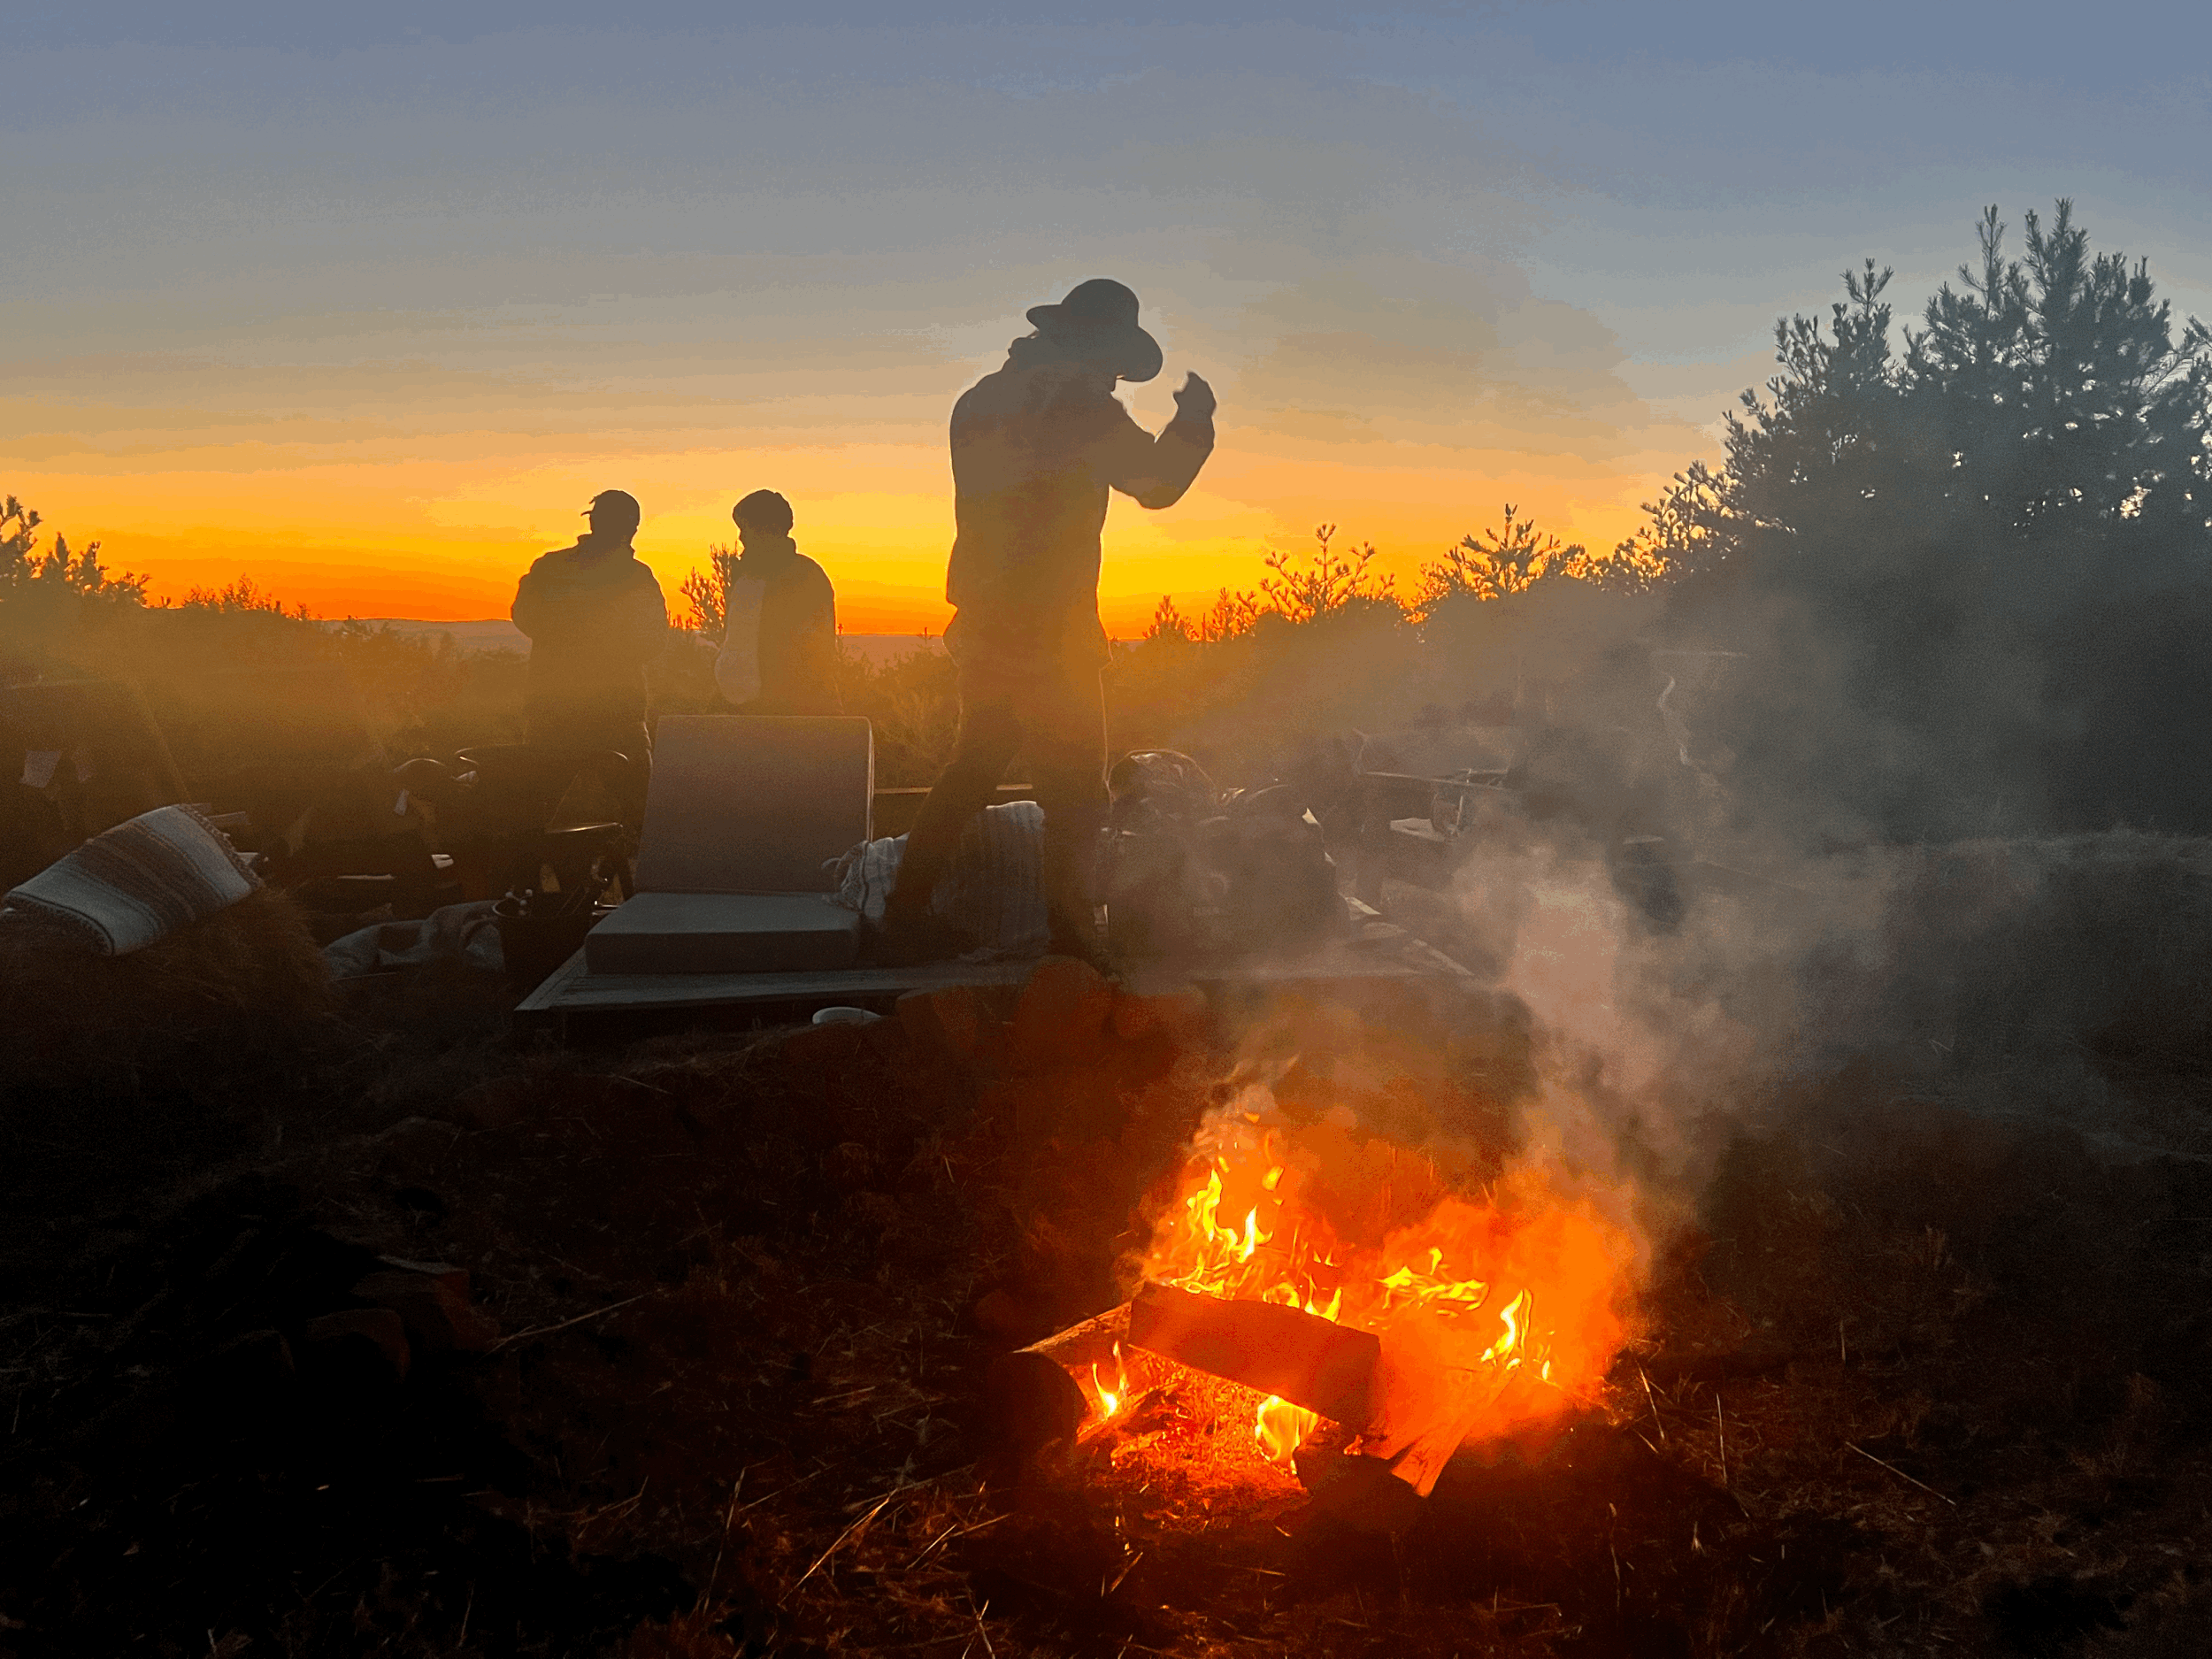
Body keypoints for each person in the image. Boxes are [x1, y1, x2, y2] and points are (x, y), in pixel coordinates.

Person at [881, 278, 1217, 962]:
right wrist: (1194, 423)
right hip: (1054, 628)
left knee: (971, 767)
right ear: (1095, 349)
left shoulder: (980, 400)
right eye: (1113, 363)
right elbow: (1156, 484)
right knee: (1075, 791)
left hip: (984, 621)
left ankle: (902, 918)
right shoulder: (1082, 408)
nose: (1114, 378)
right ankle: (1070, 935)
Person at [510, 488, 670, 815]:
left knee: (541, 807)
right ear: (633, 528)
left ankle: (544, 862)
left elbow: (525, 616)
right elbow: (654, 640)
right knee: (640, 808)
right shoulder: (637, 577)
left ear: (593, 522)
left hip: (553, 707)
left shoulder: (549, 568)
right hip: (617, 709)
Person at [713, 489, 841, 715]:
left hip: (790, 712)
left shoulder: (805, 576)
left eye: (747, 528)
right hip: (740, 708)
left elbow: (816, 653)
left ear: (768, 530)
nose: (741, 537)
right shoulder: (746, 578)